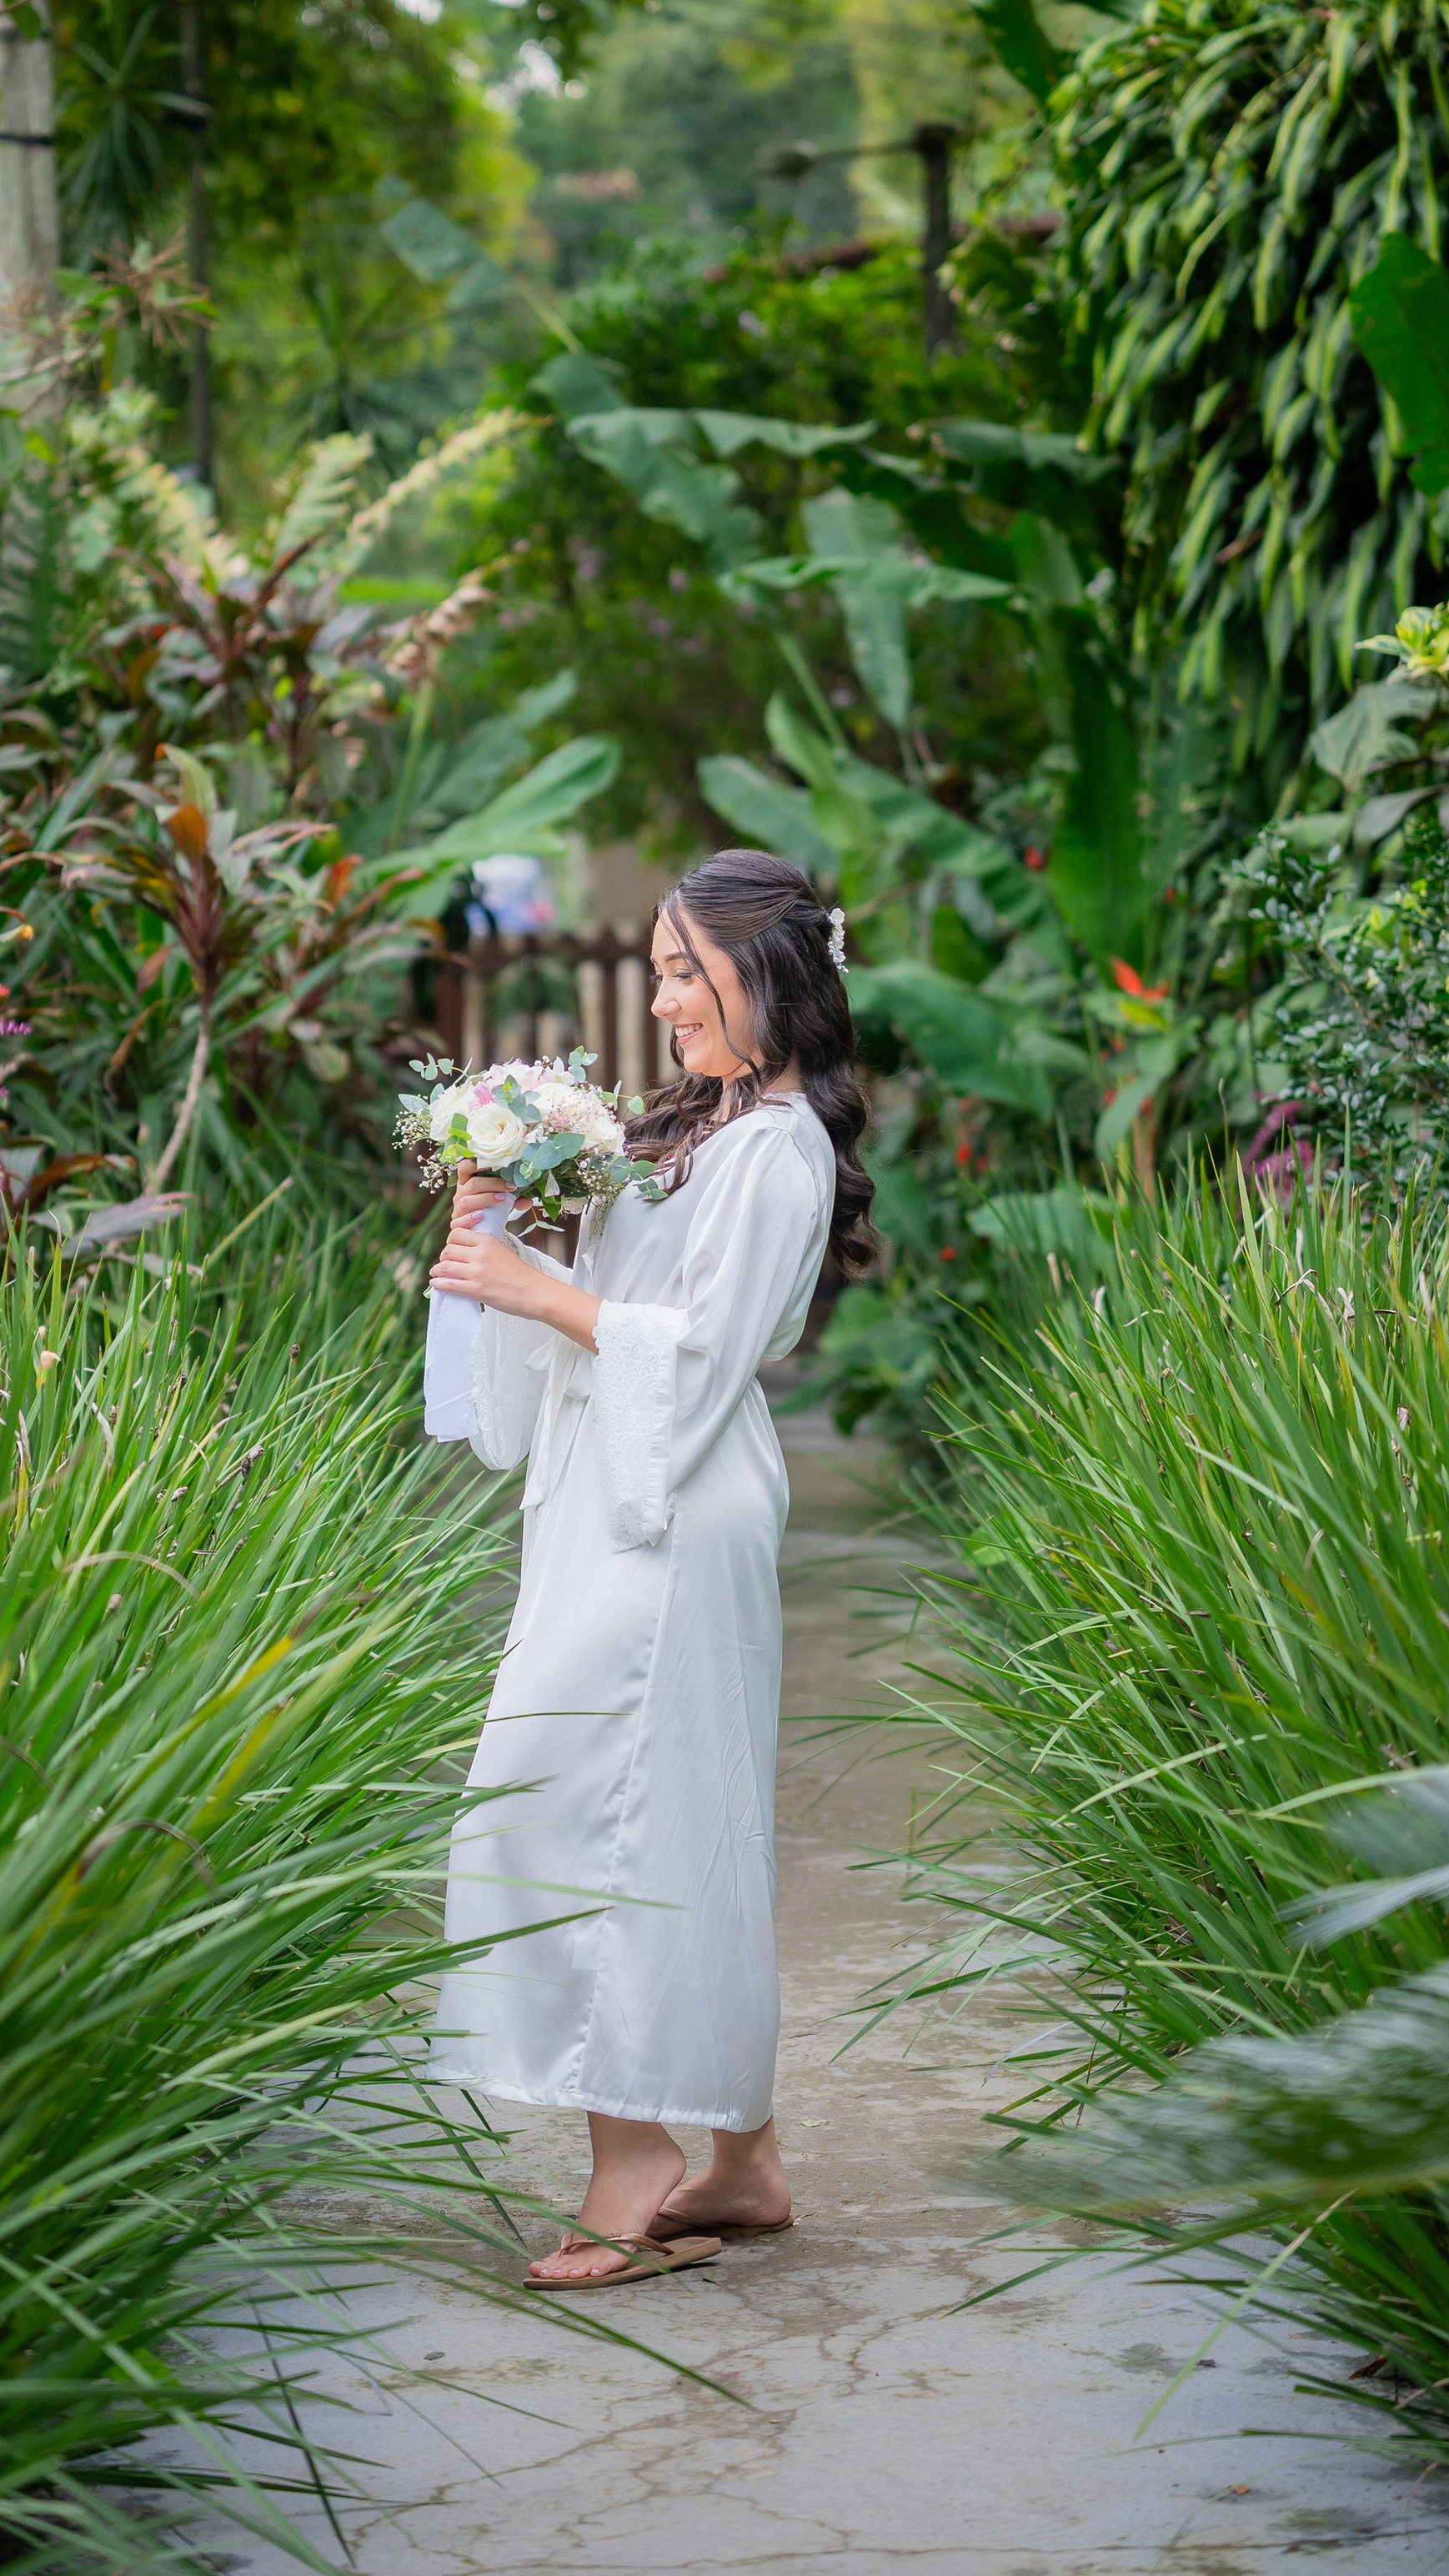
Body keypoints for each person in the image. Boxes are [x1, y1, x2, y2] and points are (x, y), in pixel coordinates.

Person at [424, 848, 875, 2288]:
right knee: (681, 1807)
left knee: (572, 1799)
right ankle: (740, 2155)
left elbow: (703, 1349)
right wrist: (499, 1226)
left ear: (773, 976)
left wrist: (545, 1289)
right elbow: (615, 1309)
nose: (666, 996)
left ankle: (635, 2160)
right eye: (667, 968)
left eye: (691, 971)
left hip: (675, 1510)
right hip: (616, 1500)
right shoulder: (698, 1123)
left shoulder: (783, 1147)